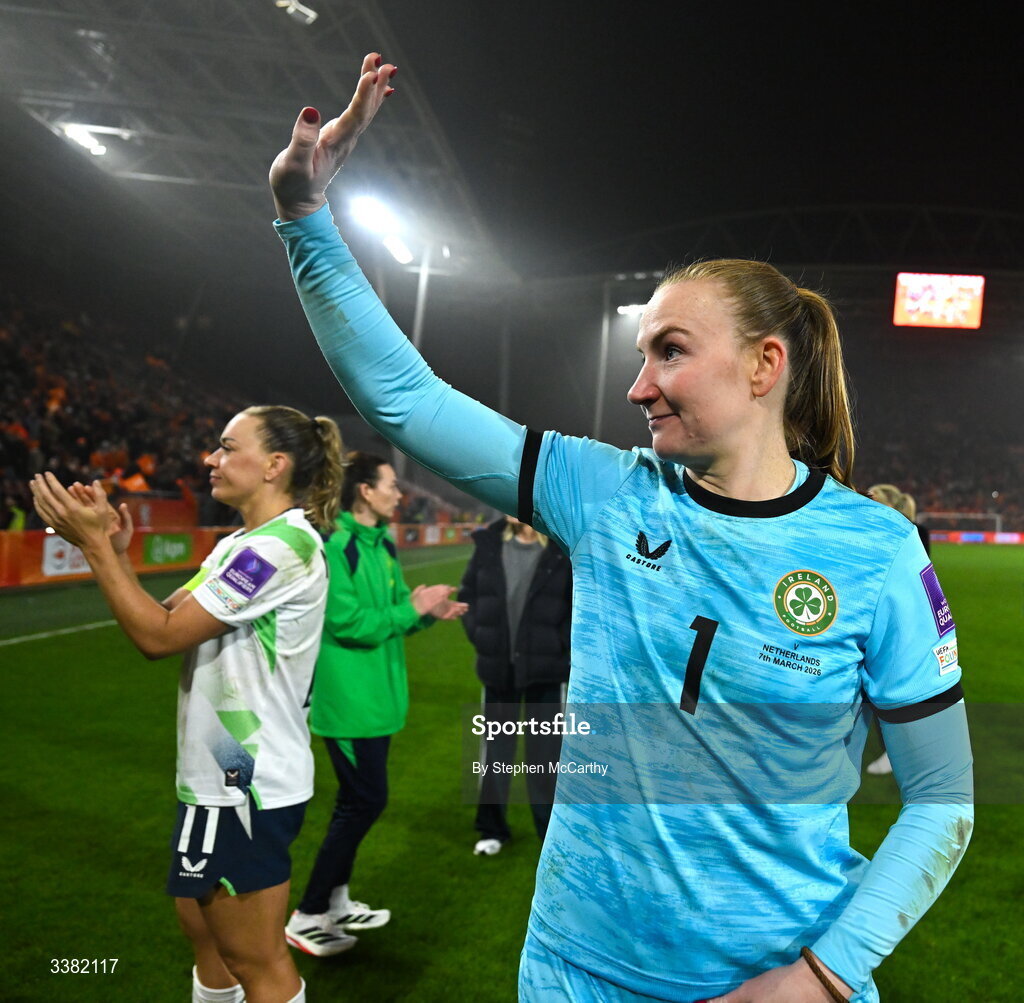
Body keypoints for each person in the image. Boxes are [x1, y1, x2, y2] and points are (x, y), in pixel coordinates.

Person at [267, 55, 973, 1002]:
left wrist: (822, 976)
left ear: (765, 365)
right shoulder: (603, 493)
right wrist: (305, 218)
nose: (637, 384)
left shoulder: (876, 550)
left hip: (781, 982)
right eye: (640, 352)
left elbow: (942, 799)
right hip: (574, 969)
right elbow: (404, 397)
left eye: (670, 352)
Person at [31, 405, 344, 1003]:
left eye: (228, 447)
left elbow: (158, 638)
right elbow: (169, 615)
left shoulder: (275, 550)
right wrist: (117, 554)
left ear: (275, 465)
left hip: (243, 782)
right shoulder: (243, 543)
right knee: (207, 939)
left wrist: (96, 547)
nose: (210, 459)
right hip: (223, 777)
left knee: (259, 962)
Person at [285, 451, 468, 955]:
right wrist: (411, 606)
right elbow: (347, 623)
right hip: (349, 704)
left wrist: (427, 613)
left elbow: (388, 613)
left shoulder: (381, 543)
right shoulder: (336, 545)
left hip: (379, 699)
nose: (399, 493)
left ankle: (337, 901)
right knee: (364, 802)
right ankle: (308, 914)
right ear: (364, 491)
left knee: (358, 802)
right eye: (390, 484)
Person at [459, 514, 572, 855]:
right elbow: (468, 595)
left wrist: (560, 650)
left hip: (546, 671)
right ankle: (492, 829)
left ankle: (549, 836)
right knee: (495, 755)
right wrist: (481, 637)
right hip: (499, 669)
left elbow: (575, 605)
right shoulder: (489, 544)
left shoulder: (560, 548)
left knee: (545, 758)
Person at [863, 483, 932, 777]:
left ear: (890, 504)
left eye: (871, 497)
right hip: (875, 621)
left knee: (892, 693)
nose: (864, 501)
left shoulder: (907, 535)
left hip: (899, 625)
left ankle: (898, 753)